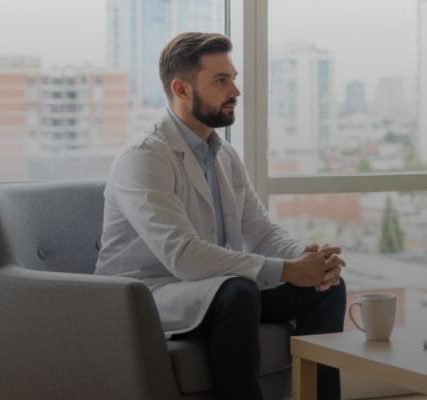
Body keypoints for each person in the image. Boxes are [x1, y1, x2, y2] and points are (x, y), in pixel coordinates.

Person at [96, 32, 346, 399]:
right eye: (220, 81)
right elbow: (182, 256)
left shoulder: (224, 154)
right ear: (181, 90)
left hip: (213, 289)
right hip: (146, 295)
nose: (235, 92)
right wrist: (289, 270)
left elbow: (261, 231)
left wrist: (308, 260)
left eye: (233, 78)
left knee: (326, 289)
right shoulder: (145, 157)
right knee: (238, 292)